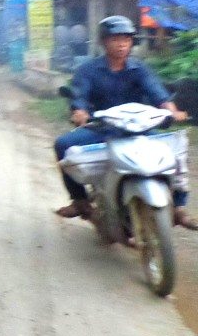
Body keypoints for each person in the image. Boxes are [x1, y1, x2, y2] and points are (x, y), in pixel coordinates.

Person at [54, 15, 198, 229]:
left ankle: (178, 208)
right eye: (115, 39)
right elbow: (80, 96)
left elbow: (158, 94)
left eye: (126, 39)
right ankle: (80, 201)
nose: (122, 44)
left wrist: (171, 110)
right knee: (62, 144)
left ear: (131, 42)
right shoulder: (88, 70)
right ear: (104, 42)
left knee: (175, 149)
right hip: (101, 129)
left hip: (137, 129)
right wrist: (80, 111)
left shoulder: (139, 69)